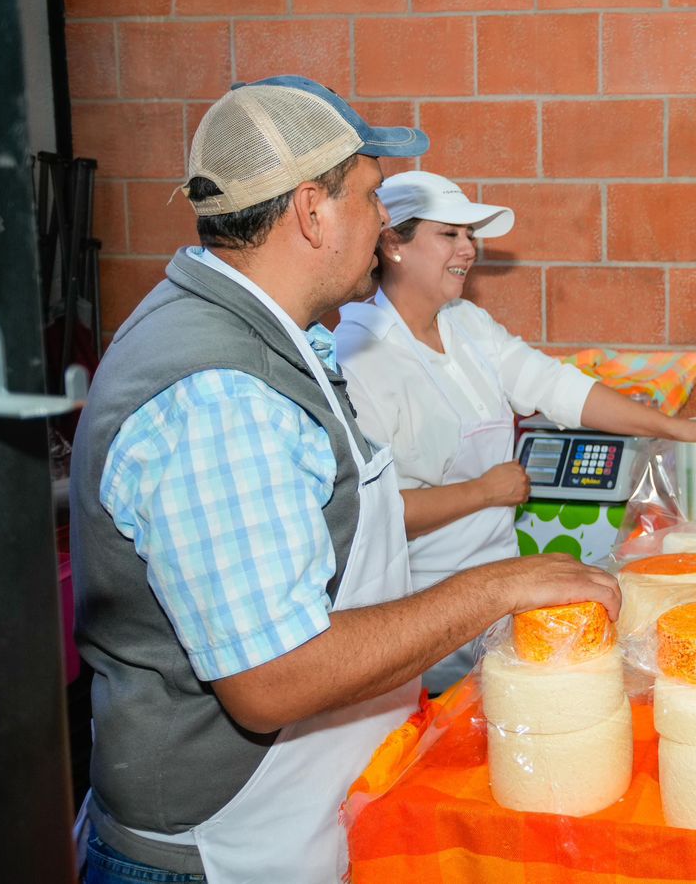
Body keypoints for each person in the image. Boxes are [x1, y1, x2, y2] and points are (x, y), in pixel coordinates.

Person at [70, 76, 621, 884]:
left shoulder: (277, 338)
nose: (382, 223)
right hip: (226, 851)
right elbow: (273, 677)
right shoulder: (219, 393)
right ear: (311, 211)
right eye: (370, 197)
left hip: (304, 819)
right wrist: (498, 586)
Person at [335, 170, 696, 691]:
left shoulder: (466, 324)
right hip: (421, 607)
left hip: (501, 585)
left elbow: (558, 387)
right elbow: (372, 513)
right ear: (393, 244)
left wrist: (674, 428)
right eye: (449, 234)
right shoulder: (362, 354)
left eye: (470, 235)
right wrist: (485, 492)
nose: (468, 248)